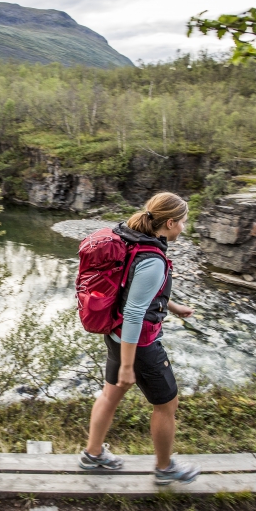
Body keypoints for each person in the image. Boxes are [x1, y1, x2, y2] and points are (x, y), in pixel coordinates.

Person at [78, 192, 201, 485]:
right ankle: (164, 468)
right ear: (170, 223)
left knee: (110, 395)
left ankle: (92, 455)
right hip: (139, 344)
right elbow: (134, 312)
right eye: (183, 222)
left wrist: (173, 305)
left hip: (116, 335)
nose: (184, 227)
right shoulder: (153, 259)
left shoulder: (131, 236)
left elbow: (131, 288)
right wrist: (127, 366)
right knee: (166, 404)